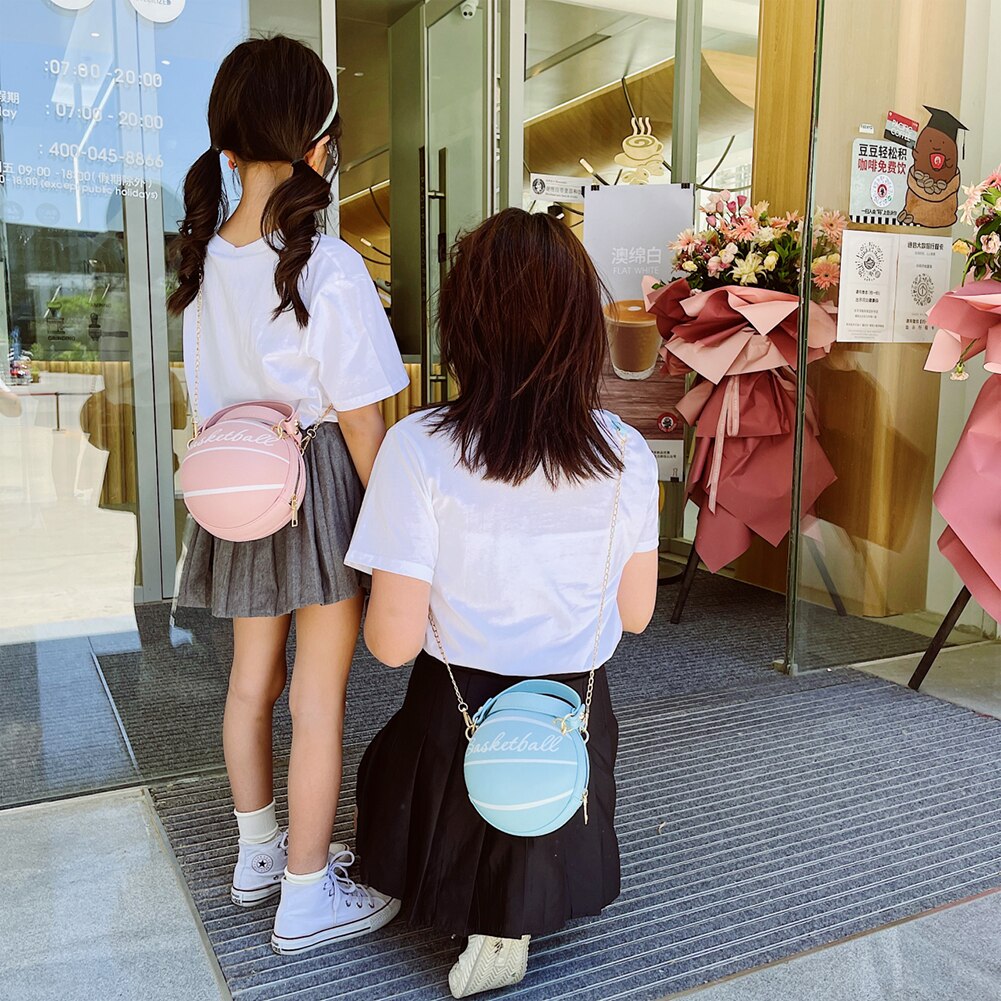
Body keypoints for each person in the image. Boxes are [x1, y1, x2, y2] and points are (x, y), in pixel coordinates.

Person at [345, 208, 660, 997]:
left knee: (392, 763)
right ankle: (516, 906)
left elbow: (389, 643)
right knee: (538, 780)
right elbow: (636, 612)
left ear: (464, 324)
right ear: (581, 330)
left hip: (457, 705)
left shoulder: (418, 445)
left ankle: (459, 895)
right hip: (573, 711)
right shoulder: (624, 452)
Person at [168, 36, 407, 954]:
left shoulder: (201, 265)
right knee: (318, 696)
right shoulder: (328, 266)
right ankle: (307, 894)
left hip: (241, 490)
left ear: (227, 148)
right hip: (315, 485)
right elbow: (362, 424)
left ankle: (259, 851)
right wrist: (391, 539)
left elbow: (206, 406)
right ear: (318, 142)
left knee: (248, 685)